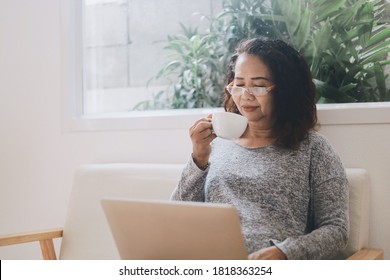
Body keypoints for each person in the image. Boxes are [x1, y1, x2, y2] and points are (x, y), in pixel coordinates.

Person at [171, 37, 349, 260]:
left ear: (286, 90)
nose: (246, 95)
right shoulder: (215, 145)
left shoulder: (314, 149)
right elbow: (178, 216)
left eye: (259, 85)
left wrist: (285, 253)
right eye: (239, 84)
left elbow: (336, 231)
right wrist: (198, 157)